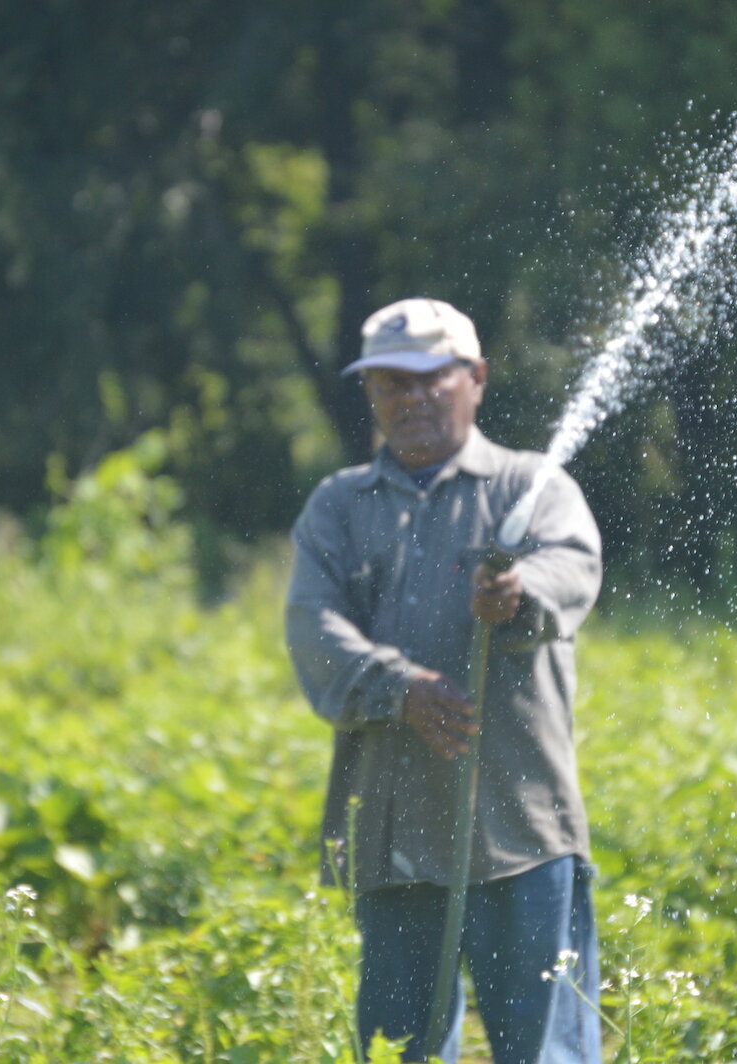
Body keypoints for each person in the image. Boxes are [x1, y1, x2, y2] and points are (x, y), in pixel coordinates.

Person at [286, 297, 603, 1064]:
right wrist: (400, 688)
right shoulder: (339, 506)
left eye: (433, 378)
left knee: (545, 1051)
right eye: (393, 382)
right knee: (401, 1051)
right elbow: (312, 630)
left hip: (522, 833)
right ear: (370, 392)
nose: (413, 397)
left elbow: (573, 567)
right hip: (396, 836)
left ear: (478, 379)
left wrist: (517, 593)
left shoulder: (531, 486)